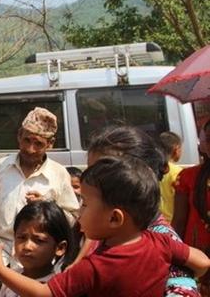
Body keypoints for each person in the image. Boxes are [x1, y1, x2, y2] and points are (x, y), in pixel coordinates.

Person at [0, 156, 210, 296]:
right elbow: (202, 262)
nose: (79, 212)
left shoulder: (97, 266)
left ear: (115, 219)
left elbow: (44, 292)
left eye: (85, 205)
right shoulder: (159, 241)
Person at [83, 125, 200, 296]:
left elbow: (183, 288)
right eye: (90, 171)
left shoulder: (161, 240)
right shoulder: (107, 230)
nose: (89, 181)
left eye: (101, 173)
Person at [0, 107, 79, 261]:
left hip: (38, 258)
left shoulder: (59, 173)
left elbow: (72, 216)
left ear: (50, 144)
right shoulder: (1, 166)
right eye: (27, 140)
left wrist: (47, 206)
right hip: (1, 252)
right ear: (19, 136)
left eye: (38, 144)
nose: (30, 149)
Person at [0, 201, 75, 297]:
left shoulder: (55, 288)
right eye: (21, 237)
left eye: (39, 240)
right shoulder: (10, 279)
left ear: (60, 248)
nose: (27, 246)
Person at [173, 120, 210, 293]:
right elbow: (179, 221)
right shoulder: (188, 176)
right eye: (209, 139)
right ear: (202, 145)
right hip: (196, 255)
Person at [159, 131, 183, 222]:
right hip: (171, 224)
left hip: (153, 223)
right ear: (176, 149)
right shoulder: (178, 172)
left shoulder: (150, 168)